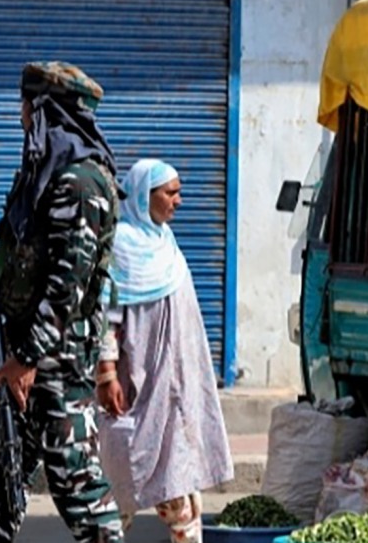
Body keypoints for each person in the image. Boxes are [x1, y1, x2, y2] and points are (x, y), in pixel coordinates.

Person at [0, 61, 124, 542]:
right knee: (3, 476)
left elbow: (66, 285)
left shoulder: (80, 184)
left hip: (54, 365)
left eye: (26, 105)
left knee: (79, 490)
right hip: (26, 359)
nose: (20, 115)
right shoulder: (44, 175)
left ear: (45, 111)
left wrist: (29, 357)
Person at [96, 159, 234, 543]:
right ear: (143, 195)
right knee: (119, 489)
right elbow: (107, 317)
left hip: (176, 389)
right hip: (137, 389)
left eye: (178, 191)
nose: (179, 201)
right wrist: (106, 374)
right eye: (170, 193)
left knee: (181, 490)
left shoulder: (165, 242)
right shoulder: (121, 246)